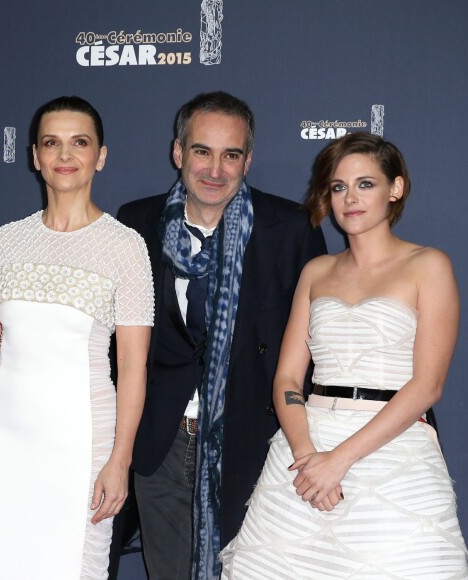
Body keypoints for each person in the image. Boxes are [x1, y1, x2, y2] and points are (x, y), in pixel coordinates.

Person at [220, 132, 468, 578]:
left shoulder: (429, 265)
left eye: (365, 184)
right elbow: (287, 380)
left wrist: (339, 461)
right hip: (305, 453)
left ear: (396, 188)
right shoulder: (316, 271)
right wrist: (307, 456)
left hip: (392, 450)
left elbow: (427, 385)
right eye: (339, 187)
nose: (350, 198)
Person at [115, 91, 326, 579]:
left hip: (252, 442)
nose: (215, 169)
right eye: (202, 151)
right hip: (159, 443)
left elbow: (316, 346)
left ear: (247, 160)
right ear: (178, 153)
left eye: (231, 155)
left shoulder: (289, 229)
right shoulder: (136, 224)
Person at [0, 96, 154, 579]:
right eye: (51, 143)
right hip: (5, 439)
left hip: (82, 440)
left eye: (79, 143)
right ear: (35, 156)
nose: (65, 155)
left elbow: (132, 367)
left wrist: (120, 459)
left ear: (100, 156)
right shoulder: (4, 241)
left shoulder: (125, 247)